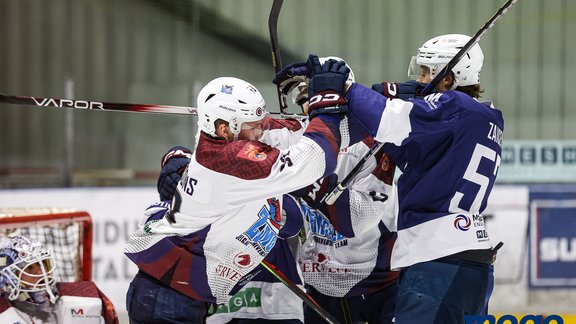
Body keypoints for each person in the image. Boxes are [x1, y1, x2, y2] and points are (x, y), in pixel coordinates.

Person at [125, 69, 366, 323]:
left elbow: (308, 134)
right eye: (254, 126)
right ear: (224, 129)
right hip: (165, 300)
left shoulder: (236, 137)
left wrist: (351, 102)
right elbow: (317, 160)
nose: (262, 132)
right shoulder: (228, 159)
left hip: (183, 298)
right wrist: (325, 105)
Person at [339, 34, 502, 323]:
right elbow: (408, 150)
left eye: (427, 72)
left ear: (449, 79)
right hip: (469, 259)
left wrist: (344, 89)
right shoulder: (484, 117)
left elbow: (389, 120)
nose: (421, 78)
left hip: (438, 258)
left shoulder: (454, 106)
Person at [276, 59, 399, 324]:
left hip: (376, 284)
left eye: (316, 97)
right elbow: (247, 138)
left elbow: (356, 217)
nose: (309, 109)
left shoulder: (374, 144)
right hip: (320, 286)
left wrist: (300, 179)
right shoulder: (299, 141)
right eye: (304, 101)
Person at [0, 235, 118, 324]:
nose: (41, 272)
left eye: (43, 264)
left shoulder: (85, 297)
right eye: (29, 268)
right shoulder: (4, 314)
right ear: (9, 277)